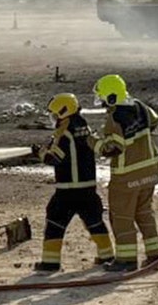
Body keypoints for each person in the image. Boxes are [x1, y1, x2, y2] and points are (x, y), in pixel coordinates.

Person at [31, 93, 115, 273]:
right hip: (88, 188)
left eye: (55, 114)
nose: (53, 118)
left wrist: (39, 153)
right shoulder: (83, 126)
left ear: (63, 112)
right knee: (94, 222)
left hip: (68, 189)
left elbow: (54, 158)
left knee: (55, 222)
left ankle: (50, 263)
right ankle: (107, 256)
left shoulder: (65, 131)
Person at [94, 74, 158, 272]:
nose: (102, 102)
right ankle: (155, 256)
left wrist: (92, 141)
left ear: (111, 97)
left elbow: (112, 149)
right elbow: (154, 121)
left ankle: (126, 260)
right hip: (150, 172)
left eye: (102, 97)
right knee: (144, 214)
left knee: (122, 217)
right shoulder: (140, 106)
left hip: (127, 178)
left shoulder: (115, 118)